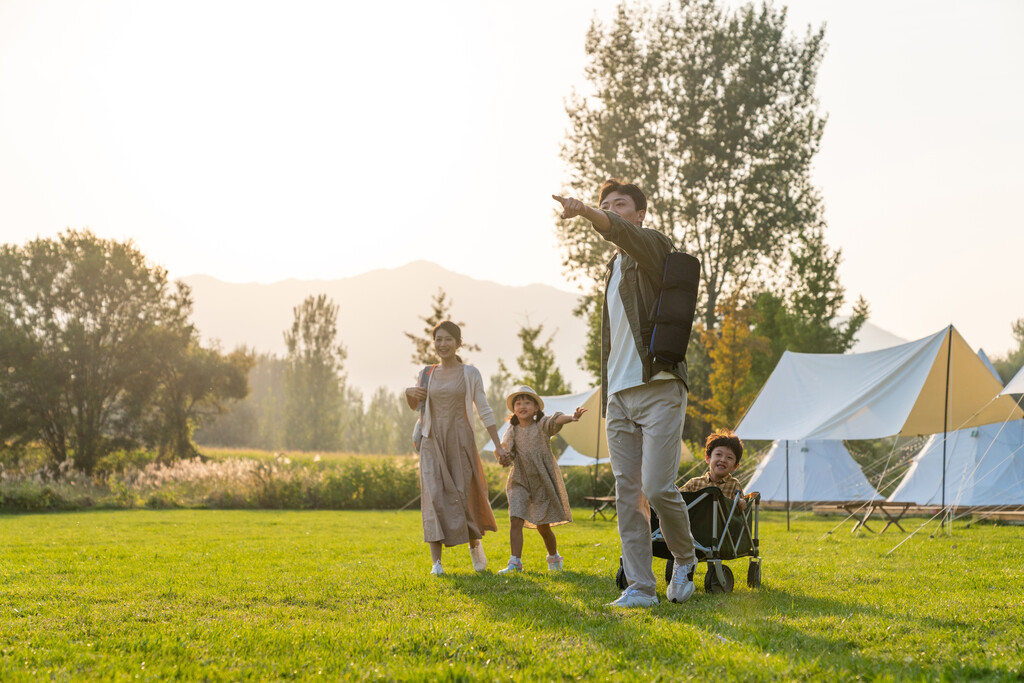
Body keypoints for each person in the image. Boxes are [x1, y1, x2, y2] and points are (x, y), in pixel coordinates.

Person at [553, 179, 697, 608]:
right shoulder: (612, 269)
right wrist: (608, 390)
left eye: (620, 205)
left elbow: (619, 232)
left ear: (639, 214)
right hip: (618, 394)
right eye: (606, 203)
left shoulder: (653, 248)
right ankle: (640, 587)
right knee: (627, 493)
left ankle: (685, 557)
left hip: (659, 386)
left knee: (656, 486)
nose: (612, 209)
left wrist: (586, 211)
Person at [405, 321, 510, 576]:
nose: (442, 344)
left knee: (464, 494)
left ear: (458, 342)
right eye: (438, 340)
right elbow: (416, 408)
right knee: (433, 496)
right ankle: (436, 563)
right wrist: (408, 393)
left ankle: (475, 544)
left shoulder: (470, 373)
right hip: (432, 440)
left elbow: (483, 409)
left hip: (461, 440)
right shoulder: (426, 373)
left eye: (448, 339)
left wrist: (498, 445)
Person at [494, 386, 586, 575]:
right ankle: (515, 563)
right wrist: (502, 457)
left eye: (527, 402)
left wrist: (572, 417)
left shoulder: (542, 425)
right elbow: (506, 450)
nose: (522, 406)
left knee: (543, 527)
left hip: (541, 481)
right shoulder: (512, 430)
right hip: (519, 480)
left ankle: (554, 557)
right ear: (514, 410)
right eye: (518, 403)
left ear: (536, 408)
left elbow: (556, 419)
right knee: (515, 519)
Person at [681, 430, 747, 511]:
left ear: (735, 466)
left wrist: (741, 503)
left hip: (723, 523)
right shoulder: (694, 484)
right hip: (696, 523)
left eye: (729, 457)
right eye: (718, 454)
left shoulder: (734, 485)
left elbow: (739, 512)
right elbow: (677, 498)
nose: (723, 460)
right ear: (708, 458)